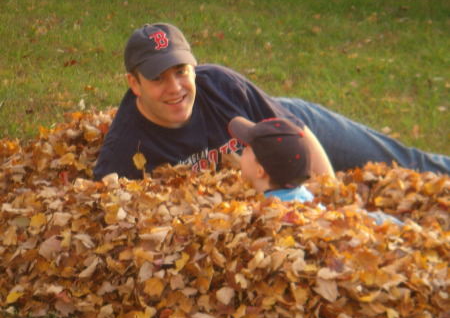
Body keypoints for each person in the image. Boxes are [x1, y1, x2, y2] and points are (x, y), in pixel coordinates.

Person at [93, 23, 449, 181]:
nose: (175, 88)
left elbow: (297, 134)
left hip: (287, 124)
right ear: (134, 84)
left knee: (404, 164)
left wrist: (331, 206)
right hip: (264, 169)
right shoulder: (123, 155)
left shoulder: (217, 83)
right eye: (158, 77)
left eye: (181, 71)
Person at [228, 116, 405, 226]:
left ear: (260, 171)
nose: (240, 151)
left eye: (245, 149)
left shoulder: (270, 213)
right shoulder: (299, 192)